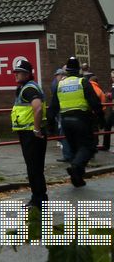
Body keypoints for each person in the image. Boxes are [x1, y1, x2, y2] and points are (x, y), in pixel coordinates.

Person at [49, 56, 104, 187]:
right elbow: (94, 102)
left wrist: (50, 126)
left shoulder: (60, 84)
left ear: (66, 70)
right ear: (78, 69)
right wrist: (101, 118)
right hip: (81, 120)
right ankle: (75, 168)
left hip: (65, 122)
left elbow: (53, 106)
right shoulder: (83, 82)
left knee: (74, 150)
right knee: (88, 147)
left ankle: (78, 179)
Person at [11, 59, 47, 207]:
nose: (16, 75)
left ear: (27, 74)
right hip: (30, 133)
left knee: (33, 167)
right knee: (36, 167)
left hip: (31, 134)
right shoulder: (27, 87)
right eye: (16, 72)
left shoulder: (28, 89)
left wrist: (36, 129)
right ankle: (40, 197)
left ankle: (37, 199)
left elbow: (37, 108)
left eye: (20, 72)